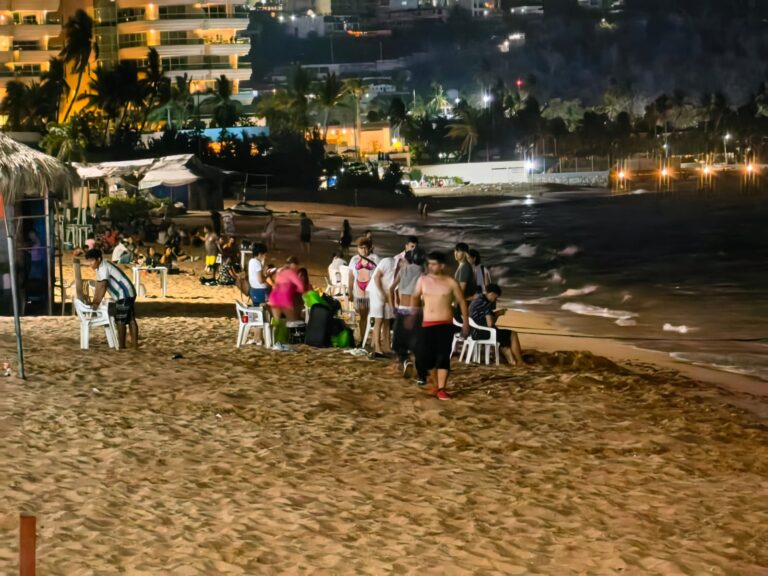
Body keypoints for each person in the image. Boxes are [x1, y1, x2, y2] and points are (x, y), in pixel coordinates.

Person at [412, 251, 469, 400]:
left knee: (443, 357)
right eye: (429, 264)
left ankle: (442, 388)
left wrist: (466, 323)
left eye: (434, 264)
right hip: (427, 324)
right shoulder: (423, 280)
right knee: (425, 357)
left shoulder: (451, 282)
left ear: (442, 265)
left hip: (445, 324)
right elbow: (415, 297)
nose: (430, 266)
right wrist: (413, 316)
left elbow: (462, 302)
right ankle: (435, 384)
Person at [84, 248, 139, 349]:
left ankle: (122, 346)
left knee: (120, 321)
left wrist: (96, 302)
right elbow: (99, 285)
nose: (90, 263)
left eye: (92, 260)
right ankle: (135, 345)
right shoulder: (101, 266)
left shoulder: (103, 267)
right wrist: (95, 301)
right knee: (131, 319)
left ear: (99, 259)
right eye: (88, 261)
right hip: (129, 292)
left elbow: (103, 286)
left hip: (124, 294)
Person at [469, 283, 524, 366]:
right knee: (512, 334)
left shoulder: (479, 299)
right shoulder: (485, 304)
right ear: (491, 294)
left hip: (473, 330)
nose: (495, 300)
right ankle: (520, 361)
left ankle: (512, 361)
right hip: (480, 333)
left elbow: (486, 318)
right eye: (495, 297)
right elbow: (490, 324)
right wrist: (498, 314)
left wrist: (496, 314)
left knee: (503, 336)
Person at [392, 248, 425, 378]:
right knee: (417, 342)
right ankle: (420, 372)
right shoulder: (423, 273)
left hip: (402, 309)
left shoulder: (403, 270)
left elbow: (391, 288)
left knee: (398, 342)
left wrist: (394, 305)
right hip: (416, 311)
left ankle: (405, 359)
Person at [268, 256, 308, 345]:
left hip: (274, 298)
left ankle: (273, 340)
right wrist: (295, 290)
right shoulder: (291, 272)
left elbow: (275, 285)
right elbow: (301, 287)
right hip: (284, 299)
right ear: (294, 265)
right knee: (291, 321)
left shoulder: (280, 271)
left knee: (277, 321)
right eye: (296, 266)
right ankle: (284, 341)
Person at [347, 237, 380, 342]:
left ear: (369, 248)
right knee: (362, 316)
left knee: (373, 317)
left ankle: (372, 339)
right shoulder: (354, 259)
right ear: (357, 248)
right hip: (359, 292)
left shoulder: (375, 258)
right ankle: (362, 338)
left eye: (365, 248)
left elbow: (380, 275)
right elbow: (351, 276)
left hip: (371, 292)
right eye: (361, 248)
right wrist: (350, 291)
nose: (363, 250)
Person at [366, 256, 397, 358]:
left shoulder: (403, 271)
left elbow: (395, 289)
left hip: (387, 291)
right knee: (379, 319)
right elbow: (376, 277)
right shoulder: (388, 262)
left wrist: (393, 305)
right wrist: (382, 293)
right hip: (376, 290)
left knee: (387, 319)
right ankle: (377, 348)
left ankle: (387, 347)